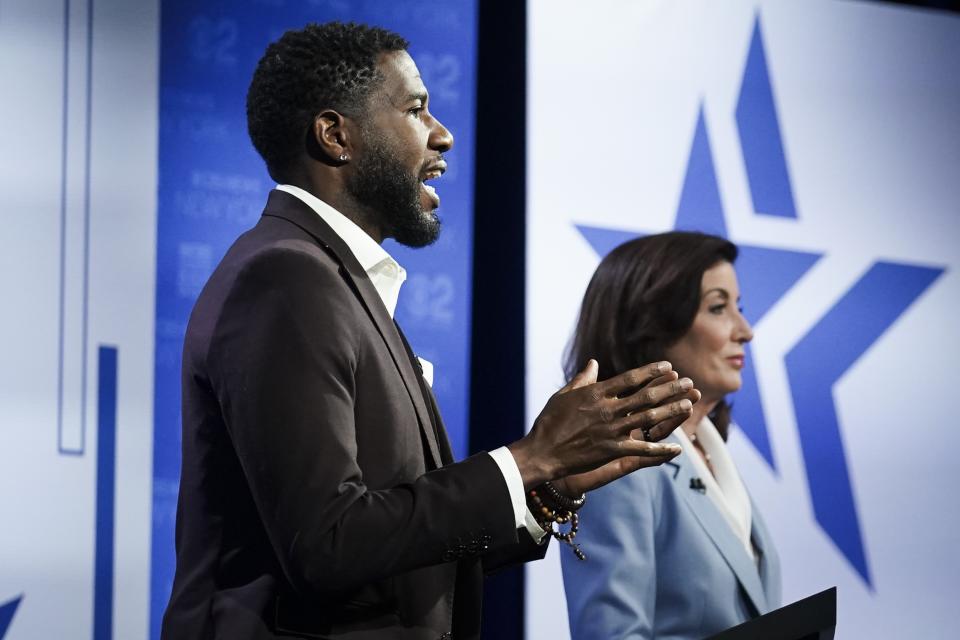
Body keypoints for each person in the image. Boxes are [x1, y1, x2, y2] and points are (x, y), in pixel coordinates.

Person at [160, 22, 701, 640]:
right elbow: (327, 544)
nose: (443, 133)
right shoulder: (284, 278)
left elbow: (394, 555)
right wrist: (527, 458)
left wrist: (547, 488)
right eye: (416, 109)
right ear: (336, 135)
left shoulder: (335, 283)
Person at [561, 231, 782, 640]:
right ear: (651, 325)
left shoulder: (713, 455)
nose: (745, 330)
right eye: (718, 308)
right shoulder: (621, 464)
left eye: (740, 308)